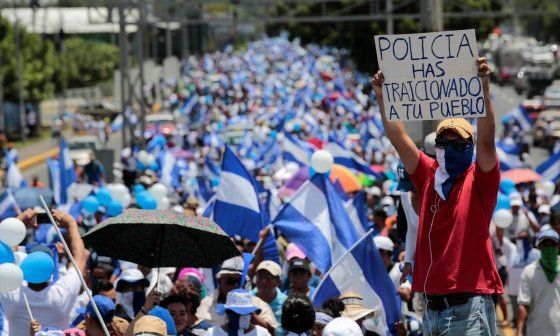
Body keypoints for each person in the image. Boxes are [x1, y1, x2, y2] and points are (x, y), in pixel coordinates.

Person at [372, 57, 502, 335]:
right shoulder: (428, 174)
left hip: (469, 308)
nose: (452, 148)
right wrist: (383, 97)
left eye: (460, 143)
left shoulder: (481, 180)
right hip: (431, 307)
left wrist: (484, 89)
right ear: (437, 148)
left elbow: (487, 140)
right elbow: (398, 137)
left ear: (470, 147)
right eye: (446, 142)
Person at [0, 209, 87, 335]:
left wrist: (19, 222)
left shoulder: (11, 292)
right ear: (52, 271)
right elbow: (80, 258)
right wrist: (71, 224)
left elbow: (6, 258)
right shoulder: (61, 294)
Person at [196, 257, 277, 334]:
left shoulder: (259, 305)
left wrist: (251, 315)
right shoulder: (205, 306)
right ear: (220, 281)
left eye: (241, 281)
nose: (236, 285)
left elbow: (272, 332)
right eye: (231, 280)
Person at [516, 229, 560, 336]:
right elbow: (524, 304)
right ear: (539, 247)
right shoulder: (529, 271)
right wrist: (520, 330)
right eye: (545, 245)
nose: (549, 248)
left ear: (558, 246)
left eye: (552, 244)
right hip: (537, 330)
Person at [206, 289, 271, 336]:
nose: (242, 316)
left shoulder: (262, 333)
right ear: (228, 312)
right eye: (236, 313)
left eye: (246, 313)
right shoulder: (212, 333)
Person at [251, 261, 286, 336]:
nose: (263, 280)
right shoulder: (246, 299)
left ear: (279, 282)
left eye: (268, 277)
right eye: (260, 276)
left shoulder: (286, 303)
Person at [373, 236, 411, 303]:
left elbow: (406, 294)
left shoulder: (399, 269)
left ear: (385, 253)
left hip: (395, 312)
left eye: (376, 252)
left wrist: (386, 287)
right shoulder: (371, 270)